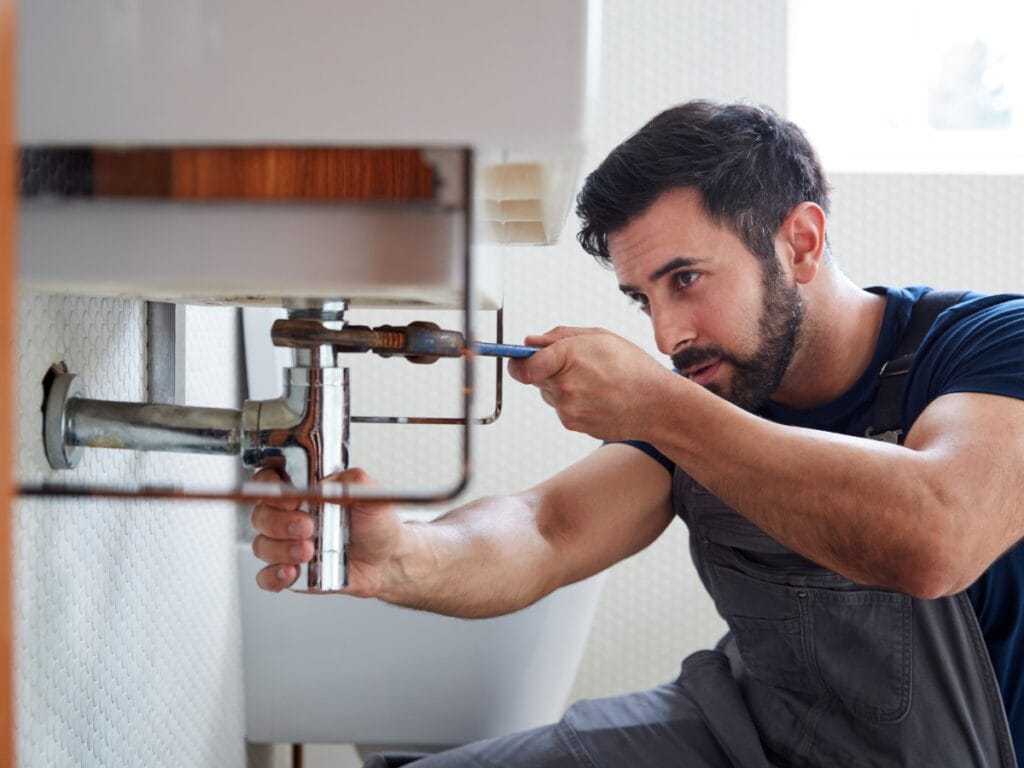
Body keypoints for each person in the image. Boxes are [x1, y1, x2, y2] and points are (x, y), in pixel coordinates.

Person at [250, 100, 1024, 767]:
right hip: (740, 734)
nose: (666, 335)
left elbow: (937, 535)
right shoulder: (712, 387)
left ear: (801, 242)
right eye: (640, 299)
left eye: (686, 279)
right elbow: (546, 527)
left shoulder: (990, 345)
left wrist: (660, 406)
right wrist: (405, 554)